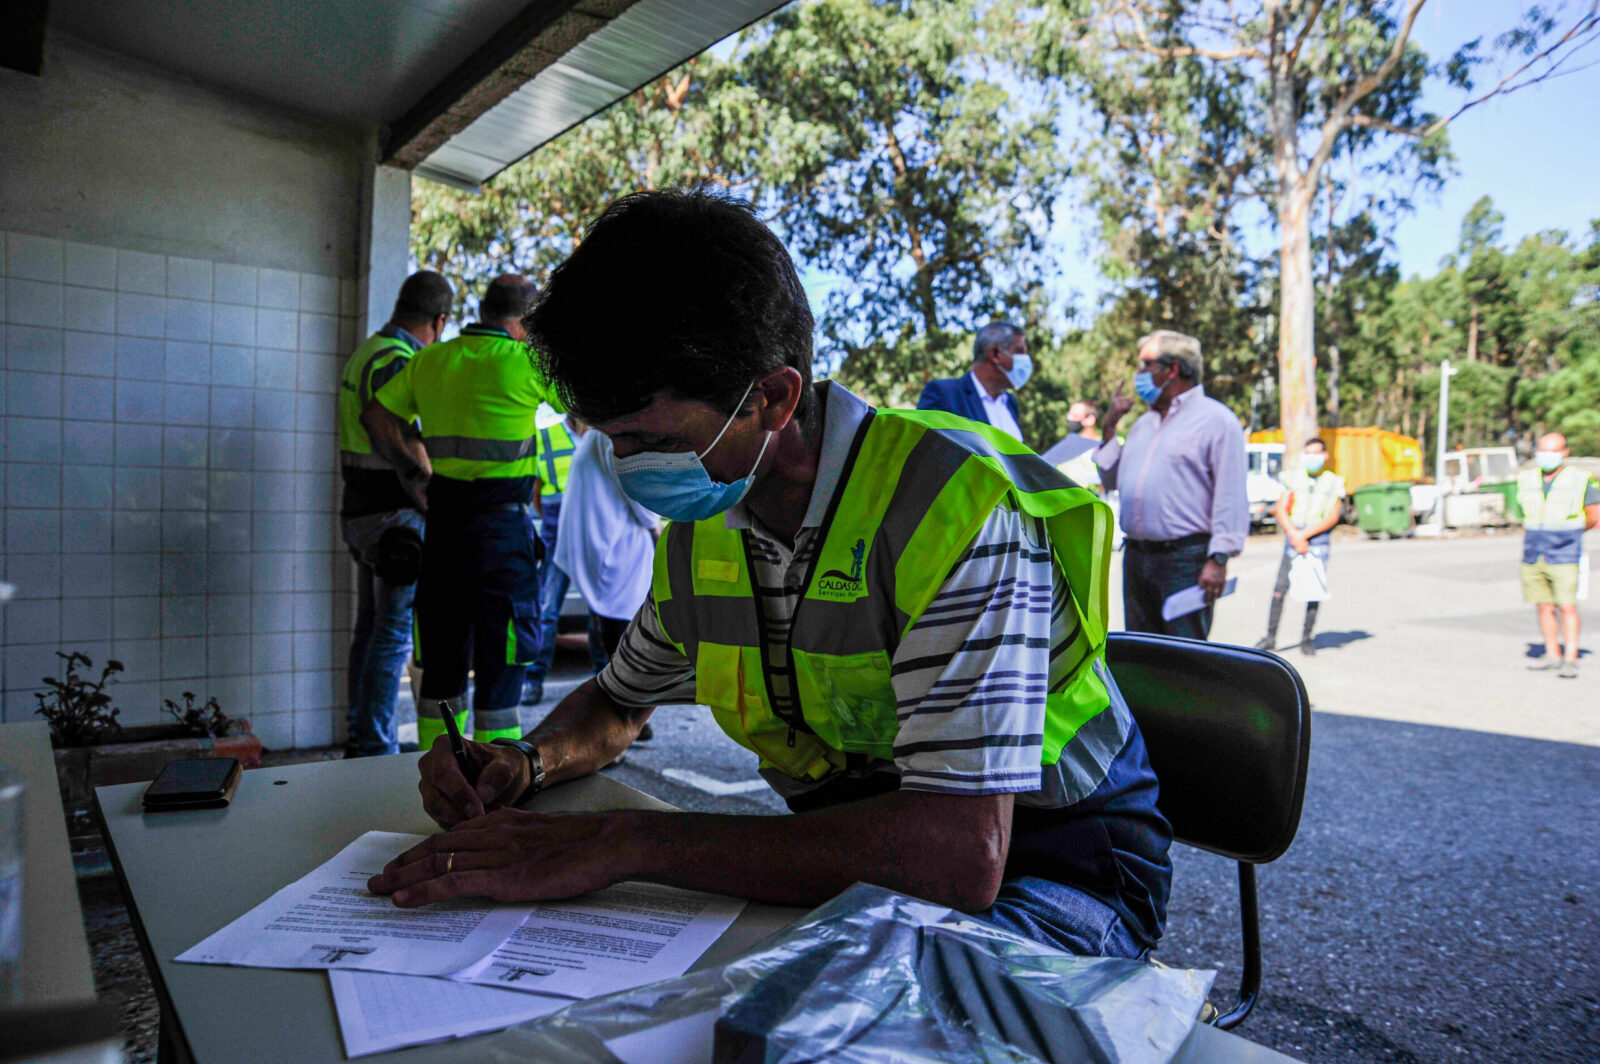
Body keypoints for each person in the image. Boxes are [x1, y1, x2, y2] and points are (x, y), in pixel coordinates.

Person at [369, 190, 1172, 964]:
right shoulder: (706, 529)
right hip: (867, 867)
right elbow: (617, 703)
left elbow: (957, 859)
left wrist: (629, 841)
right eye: (612, 441)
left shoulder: (951, 508)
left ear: (774, 398)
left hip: (1056, 870)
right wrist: (528, 761)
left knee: (807, 1016)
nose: (628, 467)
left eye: (653, 439)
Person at [361, 275, 563, 750]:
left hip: (444, 528)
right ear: (524, 322)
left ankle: (438, 767)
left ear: (484, 311)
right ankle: (499, 770)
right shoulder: (528, 362)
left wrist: (412, 470)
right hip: (503, 531)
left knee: (442, 657)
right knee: (503, 659)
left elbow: (376, 416)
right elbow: (584, 408)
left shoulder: (431, 359)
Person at [336, 271, 452, 757]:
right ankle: (374, 747)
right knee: (392, 636)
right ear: (439, 321)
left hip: (363, 514)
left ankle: (361, 735)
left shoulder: (369, 350)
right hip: (393, 520)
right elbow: (401, 437)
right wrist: (426, 491)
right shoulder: (399, 360)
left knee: (371, 629)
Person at [1094, 331, 1247, 640]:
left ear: (1172, 369)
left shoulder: (1217, 420)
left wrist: (1218, 559)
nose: (1138, 374)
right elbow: (1110, 481)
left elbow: (1230, 495)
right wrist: (1109, 426)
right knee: (1143, 654)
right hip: (1136, 557)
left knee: (1182, 654)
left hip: (1186, 561)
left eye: (1145, 365)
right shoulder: (1142, 425)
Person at [552, 426, 660, 736]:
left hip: (603, 547)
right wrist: (655, 525)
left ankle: (623, 718)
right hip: (615, 551)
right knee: (620, 642)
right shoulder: (612, 436)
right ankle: (620, 721)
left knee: (609, 637)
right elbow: (640, 497)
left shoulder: (595, 437)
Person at [1518, 433, 1599, 678]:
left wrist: (1571, 534)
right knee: (1543, 605)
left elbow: (1593, 515)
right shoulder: (1526, 478)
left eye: (1552, 451)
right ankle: (1552, 653)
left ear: (1565, 452)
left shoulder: (1580, 479)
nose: (1546, 456)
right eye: (1542, 450)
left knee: (1566, 606)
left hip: (1565, 552)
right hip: (1534, 552)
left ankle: (1570, 658)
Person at [1253, 438, 1344, 656]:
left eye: (1316, 453)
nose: (1312, 458)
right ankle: (1270, 637)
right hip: (1293, 538)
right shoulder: (1293, 478)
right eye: (1308, 453)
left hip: (1317, 540)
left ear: (1325, 456)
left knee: (1314, 591)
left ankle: (1306, 638)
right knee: (1280, 588)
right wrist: (1295, 534)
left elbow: (1333, 516)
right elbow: (1281, 509)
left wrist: (1306, 535)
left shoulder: (1333, 482)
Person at [522, 408, 580, 707]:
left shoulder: (603, 437)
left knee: (604, 612)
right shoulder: (546, 436)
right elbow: (536, 489)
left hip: (594, 533)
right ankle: (533, 680)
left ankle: (610, 681)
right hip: (557, 532)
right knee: (547, 610)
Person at [915, 322, 1030, 442]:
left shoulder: (1010, 402)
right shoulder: (944, 394)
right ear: (995, 355)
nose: (1025, 359)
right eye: (1019, 351)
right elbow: (926, 448)